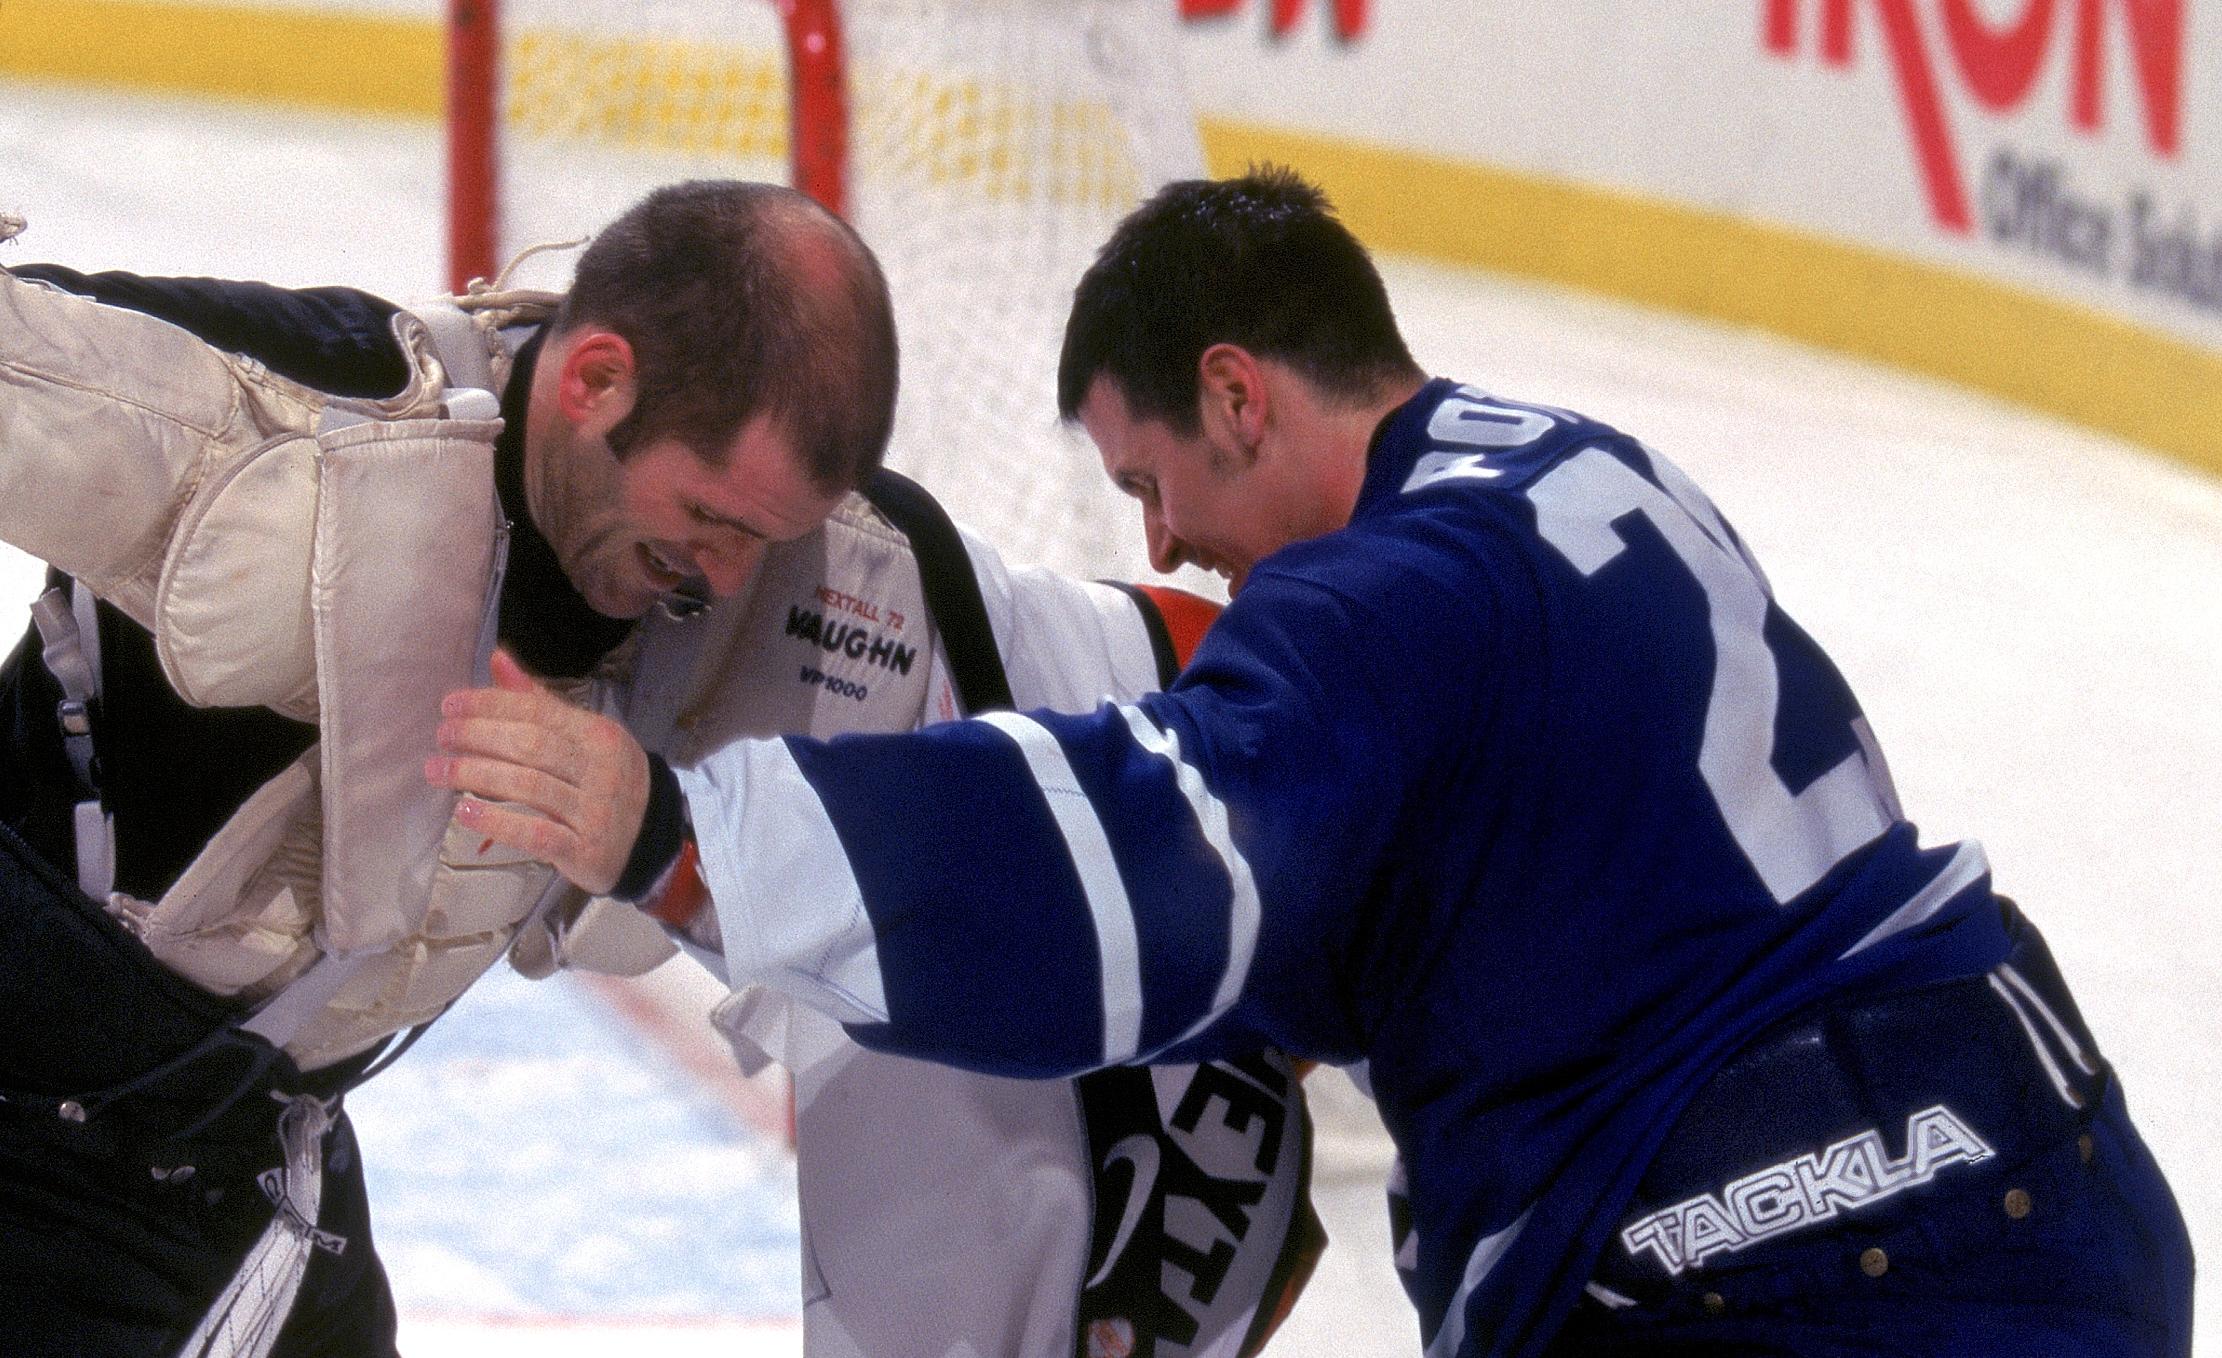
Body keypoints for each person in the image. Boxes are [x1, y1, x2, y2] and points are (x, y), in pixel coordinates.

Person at [436, 167, 2196, 1358]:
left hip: (1783, 1263)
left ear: (1238, 394)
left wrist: (692, 841)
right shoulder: (1586, 466)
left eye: (1152, 485)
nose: (1176, 544)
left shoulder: (1371, 599)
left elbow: (1150, 866)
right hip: (2048, 1160)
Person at [0, 179, 1313, 1358]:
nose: (727, 579)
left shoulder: (820, 575)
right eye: (708, 520)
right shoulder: (294, 432)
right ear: (596, 383)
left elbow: (1192, 678)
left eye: (769, 537)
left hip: (247, 1167)